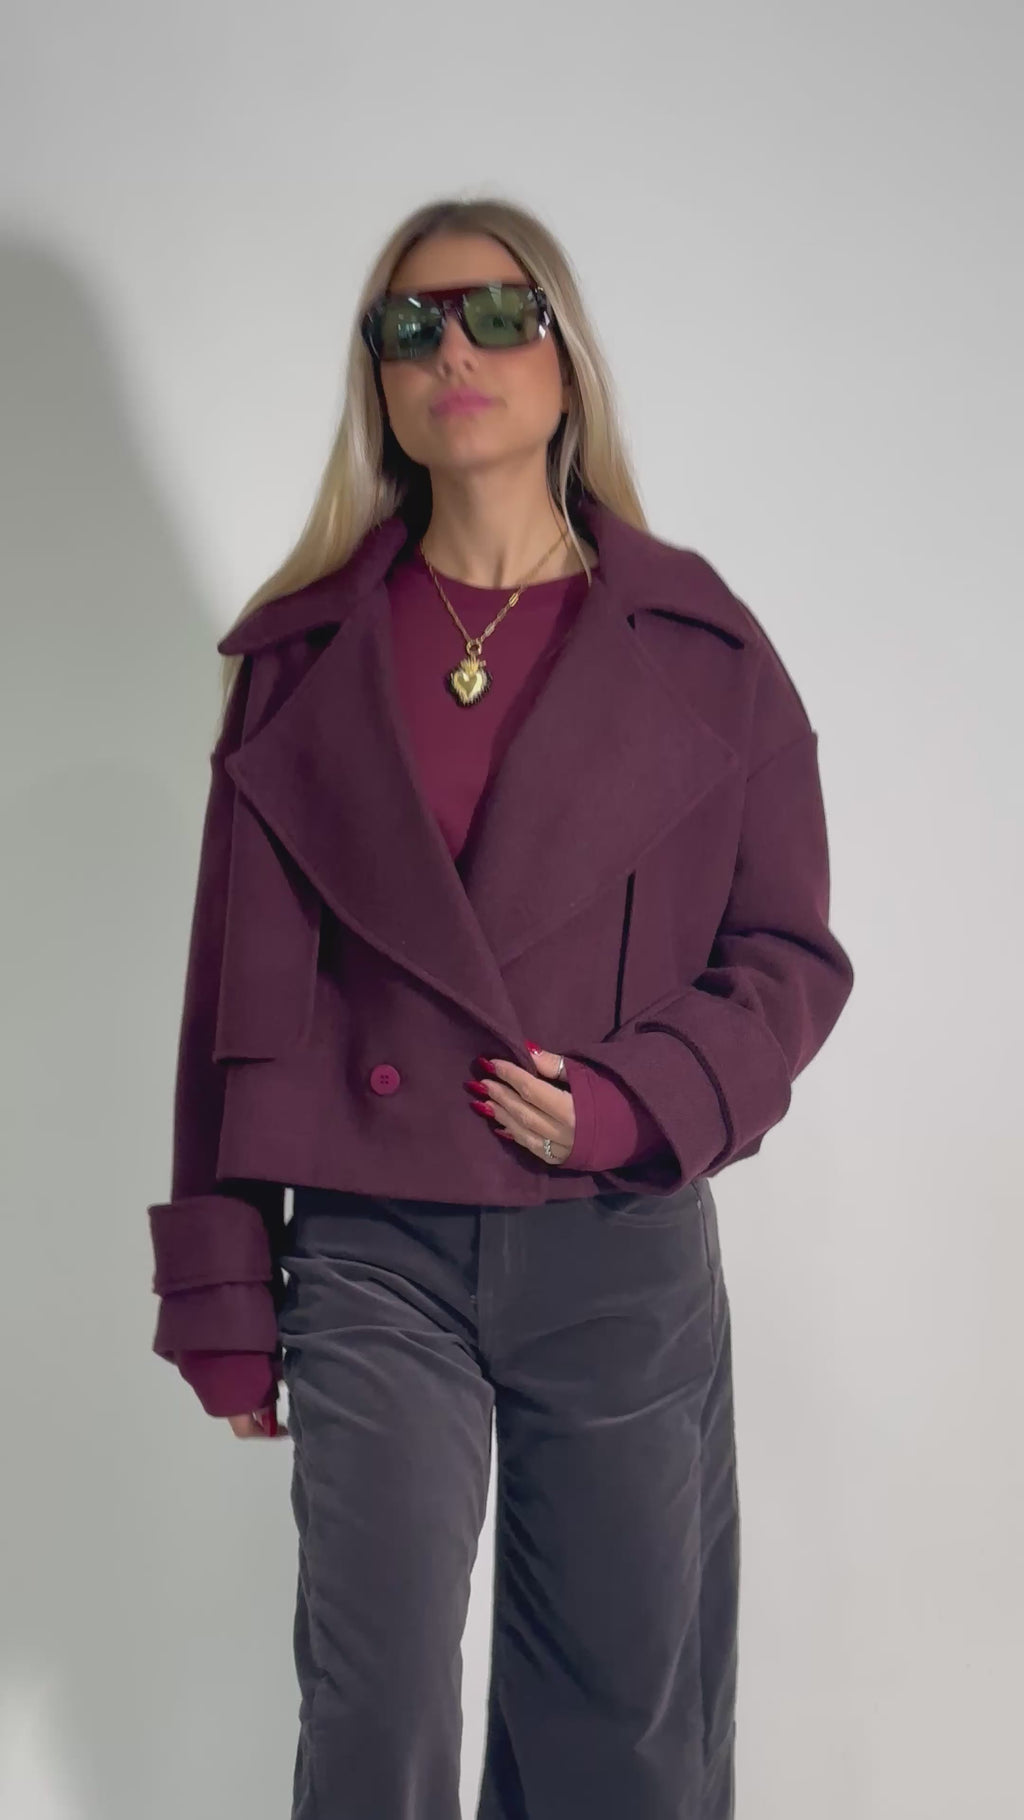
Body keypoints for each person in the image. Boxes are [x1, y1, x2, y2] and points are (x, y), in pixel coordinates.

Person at [146, 193, 855, 1819]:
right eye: (409, 325)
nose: (451, 350)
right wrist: (224, 1282)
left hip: (617, 1239)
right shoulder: (301, 657)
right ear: (378, 380)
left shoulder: (701, 645)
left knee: (622, 1718)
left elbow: (788, 956)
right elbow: (224, 993)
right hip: (373, 1247)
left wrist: (630, 1101)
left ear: (565, 356)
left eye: (495, 313)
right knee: (375, 1706)